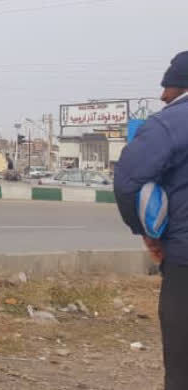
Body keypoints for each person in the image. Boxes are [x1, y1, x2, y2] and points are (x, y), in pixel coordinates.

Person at [113, 50, 188, 388]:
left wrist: (147, 232)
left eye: (168, 86)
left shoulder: (170, 123)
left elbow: (129, 180)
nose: (162, 95)